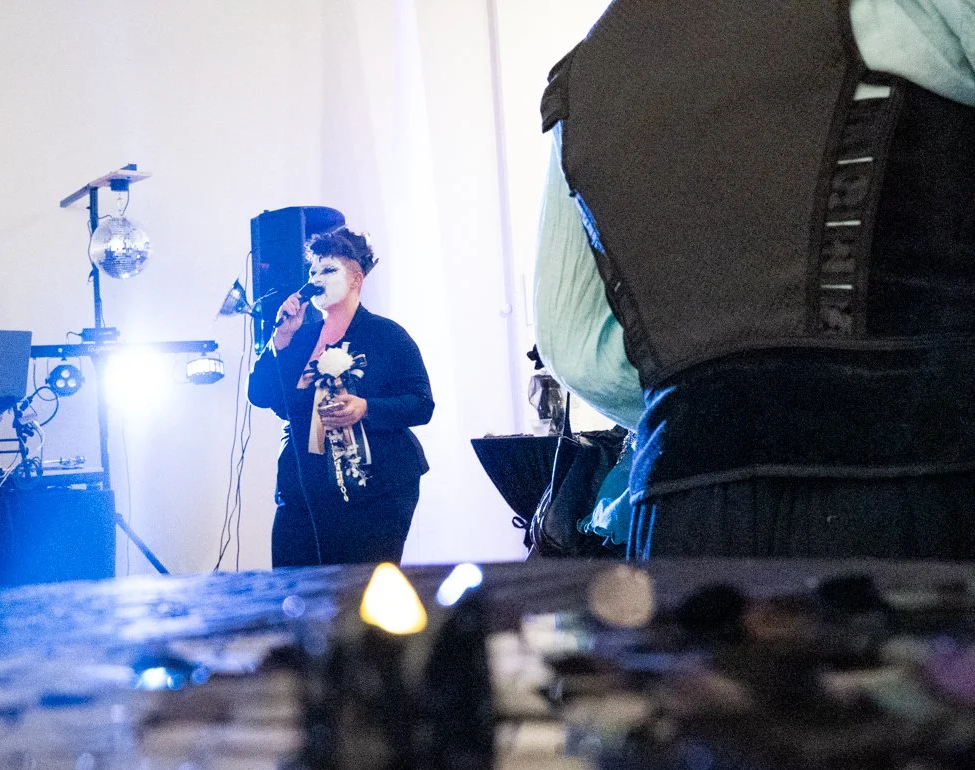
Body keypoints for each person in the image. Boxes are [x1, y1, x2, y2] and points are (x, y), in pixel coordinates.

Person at [534, 1, 975, 559]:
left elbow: (574, 348)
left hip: (683, 511)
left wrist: (710, 390)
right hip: (917, 481)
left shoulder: (585, 74)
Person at [248, 228, 434, 567]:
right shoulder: (300, 337)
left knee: (357, 595)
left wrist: (366, 408)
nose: (317, 278)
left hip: (374, 491)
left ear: (356, 279)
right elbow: (260, 395)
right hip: (303, 487)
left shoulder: (386, 335)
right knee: (294, 590)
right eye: (313, 271)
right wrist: (281, 339)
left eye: (329, 270)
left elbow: (421, 403)